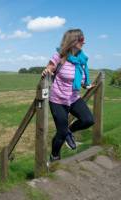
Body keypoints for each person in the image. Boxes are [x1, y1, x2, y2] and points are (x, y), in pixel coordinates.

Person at [41, 29, 96, 165]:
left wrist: (86, 85)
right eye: (81, 39)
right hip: (58, 100)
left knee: (88, 120)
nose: (84, 42)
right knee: (60, 132)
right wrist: (47, 70)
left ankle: (69, 132)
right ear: (73, 41)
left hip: (73, 98)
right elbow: (49, 68)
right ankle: (54, 157)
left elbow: (79, 79)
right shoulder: (60, 56)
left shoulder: (81, 59)